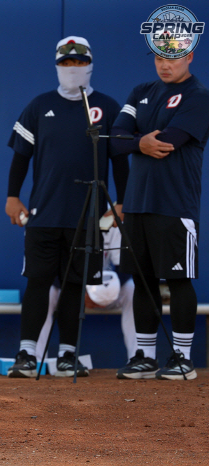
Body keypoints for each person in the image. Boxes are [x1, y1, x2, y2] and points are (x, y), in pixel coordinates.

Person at [5, 36, 129, 378]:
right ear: (57, 66)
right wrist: (12, 196)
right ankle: (27, 354)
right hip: (43, 213)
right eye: (66, 63)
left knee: (76, 283)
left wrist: (120, 201)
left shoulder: (107, 107)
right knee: (38, 281)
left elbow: (120, 161)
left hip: (88, 216)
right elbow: (20, 156)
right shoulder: (39, 105)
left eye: (79, 63)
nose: (73, 69)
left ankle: (68, 354)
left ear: (90, 65)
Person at [112, 51, 209, 380]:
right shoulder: (141, 91)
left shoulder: (199, 96)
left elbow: (170, 141)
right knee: (143, 280)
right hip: (137, 204)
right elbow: (115, 137)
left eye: (174, 58)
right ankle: (146, 356)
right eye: (158, 58)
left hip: (175, 205)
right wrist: (140, 142)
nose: (165, 65)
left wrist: (135, 141)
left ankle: (182, 358)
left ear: (190, 57)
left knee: (179, 281)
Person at [36, 226, 137, 369]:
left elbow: (124, 267)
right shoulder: (68, 217)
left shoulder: (110, 216)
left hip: (108, 288)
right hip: (72, 289)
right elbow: (53, 269)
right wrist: (81, 291)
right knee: (46, 292)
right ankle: (36, 359)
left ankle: (137, 358)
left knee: (133, 289)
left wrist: (104, 293)